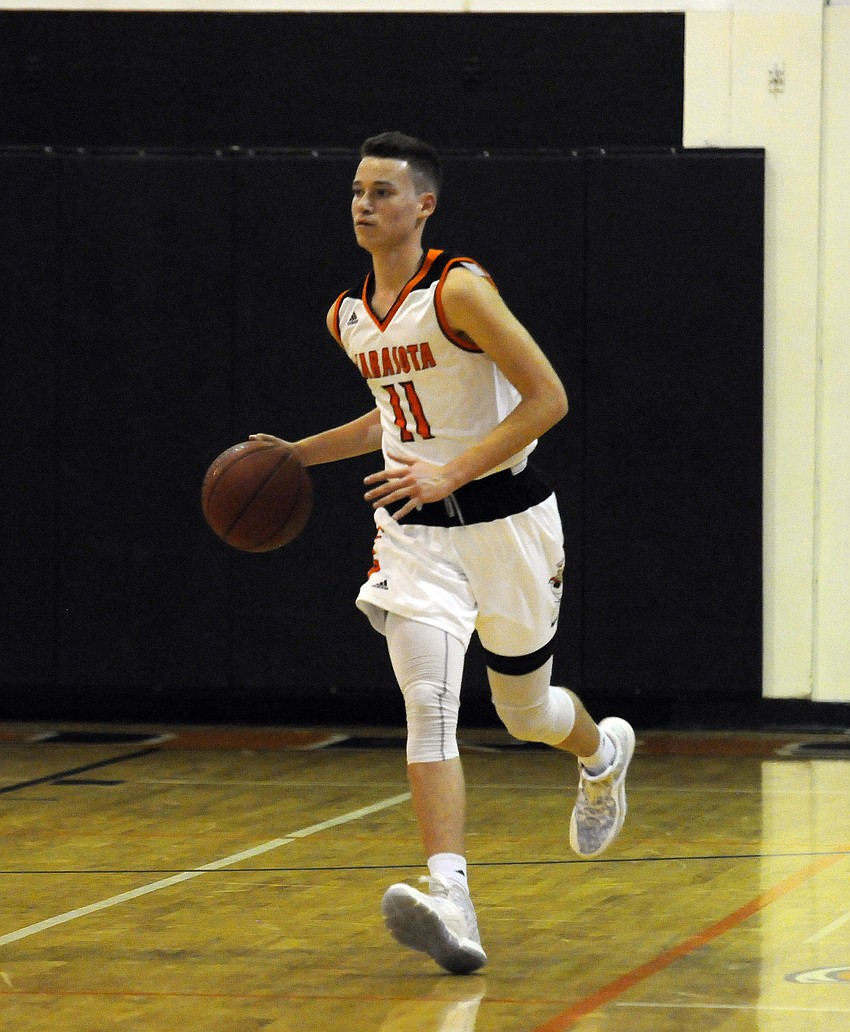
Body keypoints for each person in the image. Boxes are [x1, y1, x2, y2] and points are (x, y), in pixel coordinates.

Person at [251, 131, 635, 975]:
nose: (363, 204)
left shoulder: (458, 290)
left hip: (509, 523)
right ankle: (451, 897)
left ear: (423, 204)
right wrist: (292, 455)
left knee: (525, 713)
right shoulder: (346, 314)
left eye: (382, 191)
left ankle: (603, 754)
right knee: (428, 703)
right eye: (356, 190)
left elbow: (548, 398)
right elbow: (391, 415)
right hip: (413, 536)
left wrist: (449, 472)